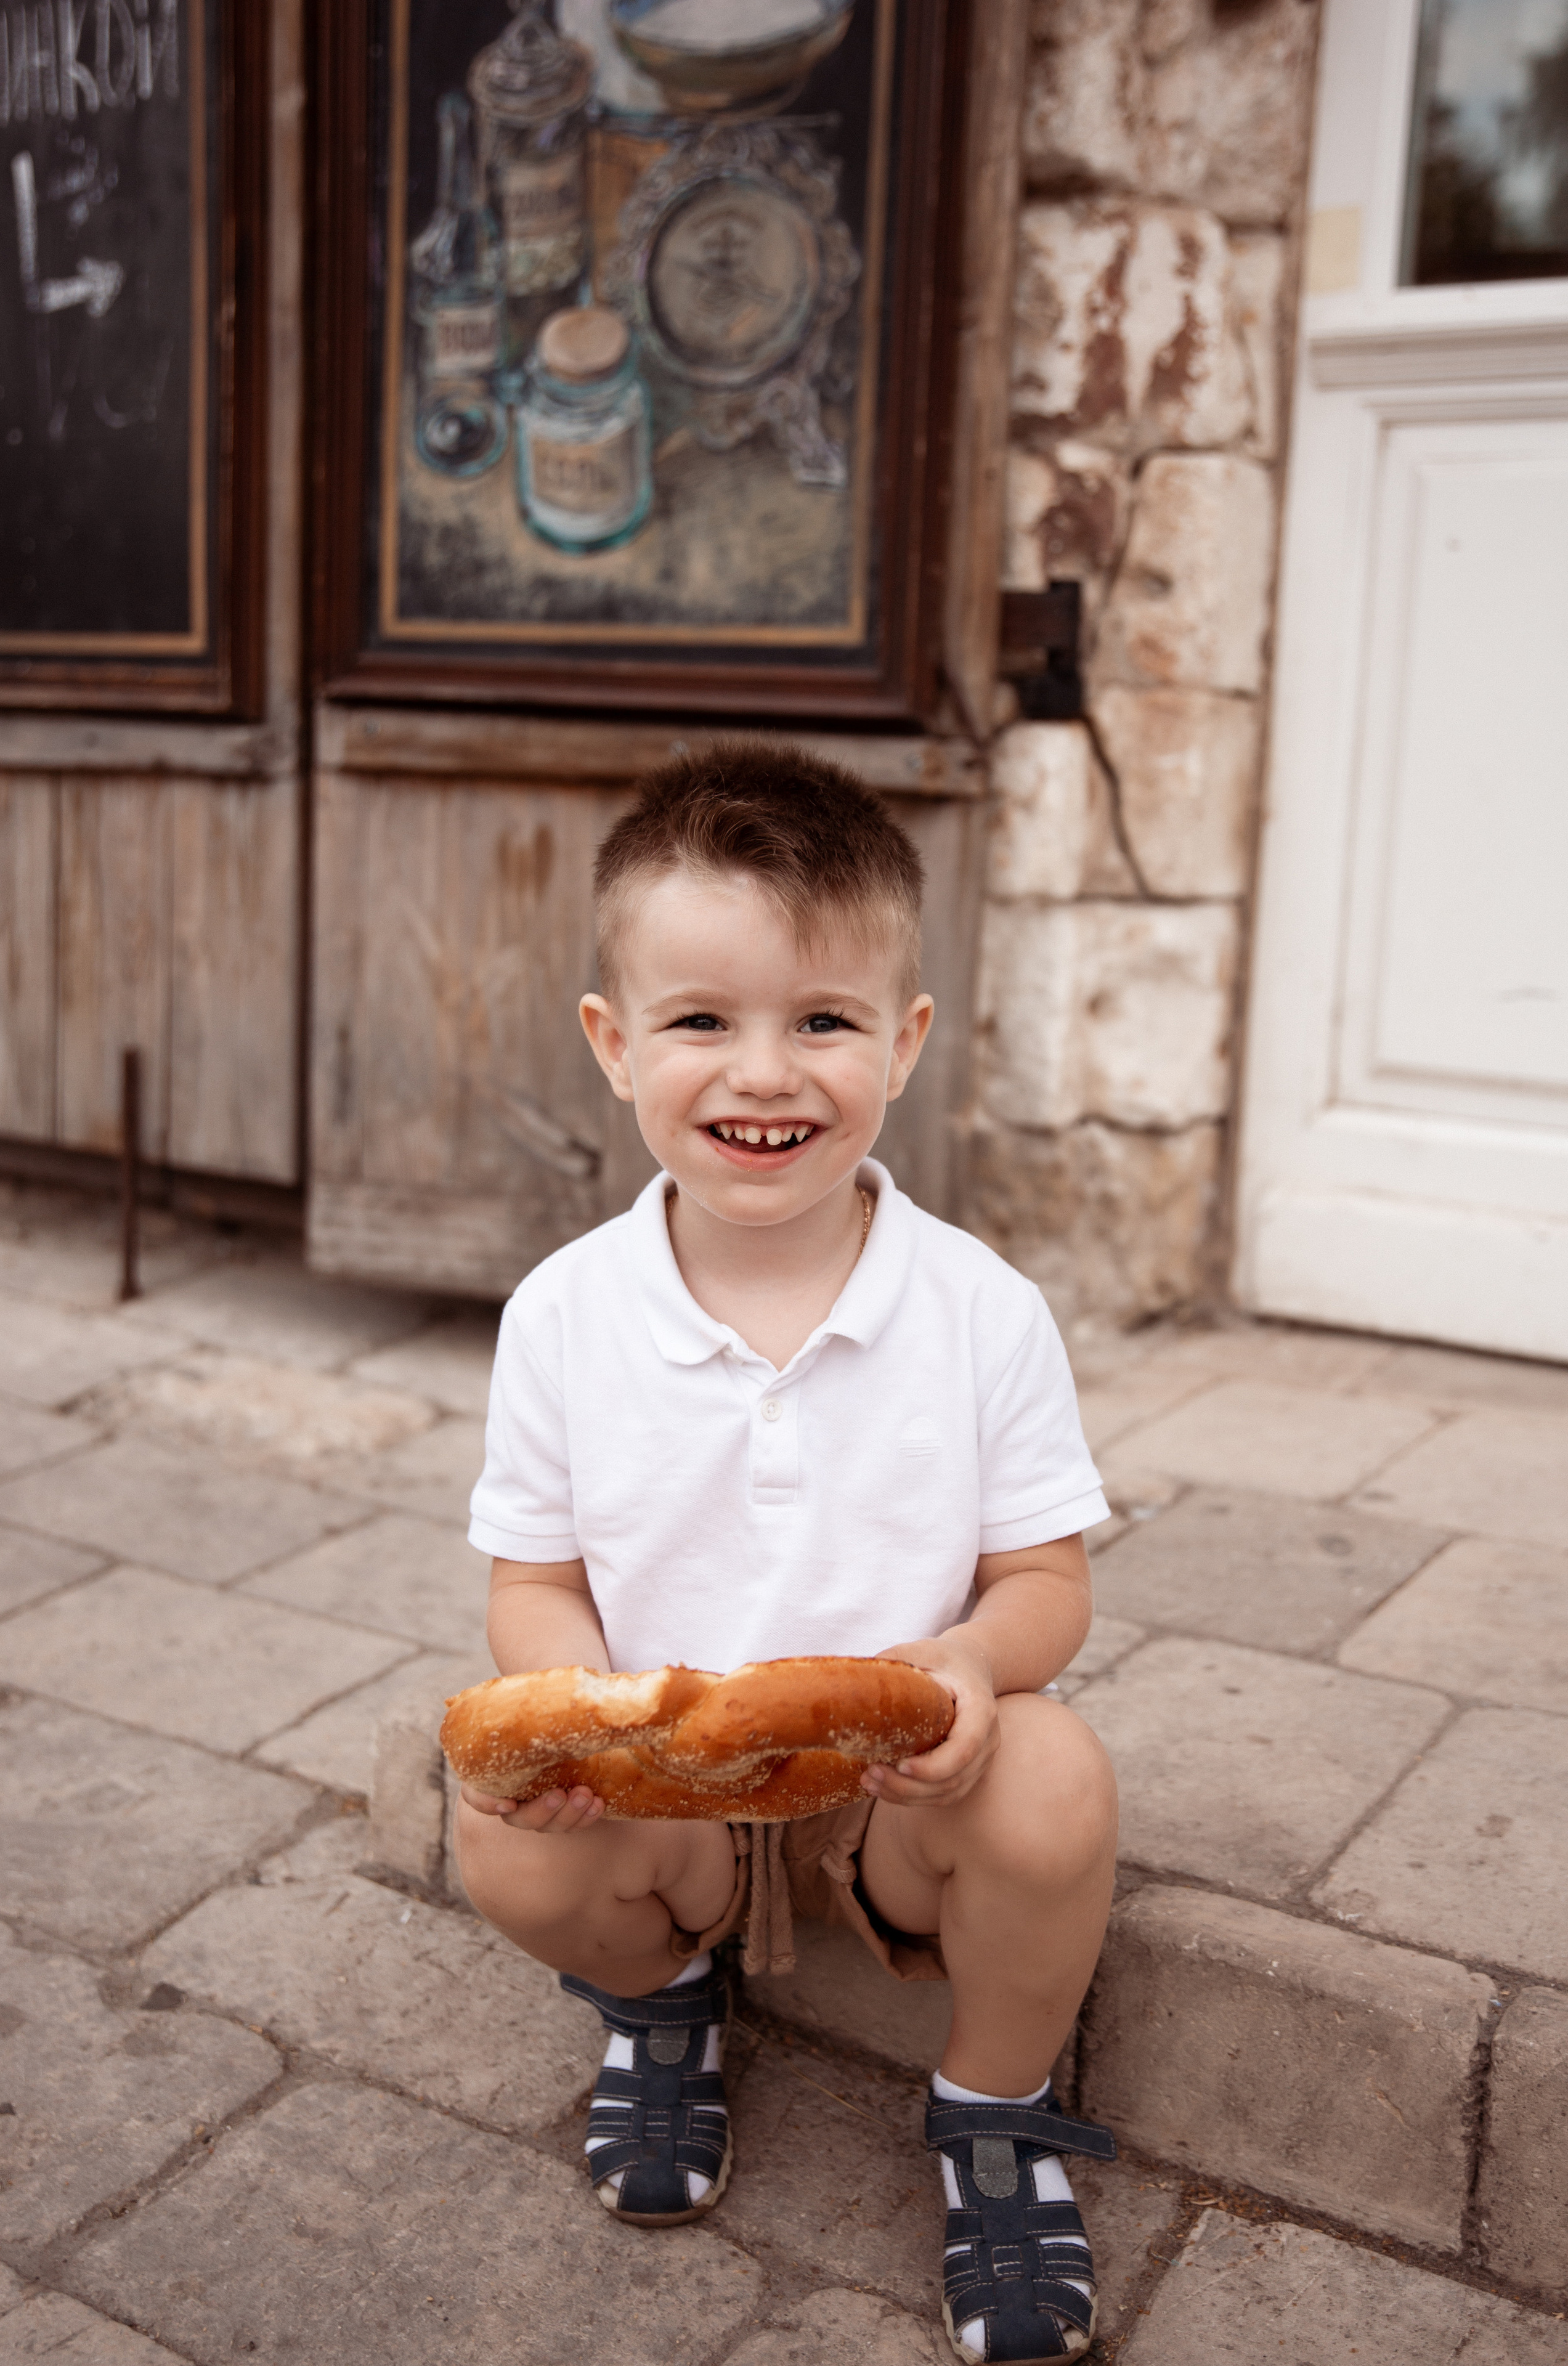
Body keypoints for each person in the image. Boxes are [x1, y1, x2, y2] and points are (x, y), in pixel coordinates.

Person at [457, 741, 1120, 2364]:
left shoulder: (979, 1311)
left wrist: (967, 1664)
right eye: (703, 1021)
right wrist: (576, 1709)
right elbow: (533, 1580)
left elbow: (1047, 1580)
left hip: (896, 1790)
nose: (766, 1073)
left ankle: (994, 2112)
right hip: (667, 1783)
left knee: (1061, 1781)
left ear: (902, 1046)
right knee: (501, 1838)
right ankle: (660, 2015)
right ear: (617, 1048)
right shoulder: (563, 1314)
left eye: (821, 1021)